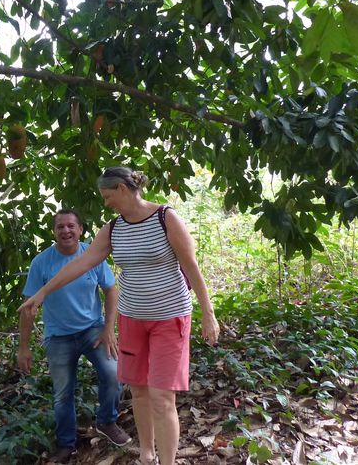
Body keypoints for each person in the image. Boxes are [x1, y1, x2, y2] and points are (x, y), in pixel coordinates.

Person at [20, 168, 220, 465]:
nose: (106, 203)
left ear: (123, 190)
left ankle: (167, 461)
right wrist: (43, 293)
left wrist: (208, 313)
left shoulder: (166, 218)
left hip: (170, 317)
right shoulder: (113, 229)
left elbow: (191, 267)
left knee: (162, 397)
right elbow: (81, 264)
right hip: (132, 319)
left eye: (108, 196)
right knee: (139, 391)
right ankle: (146, 454)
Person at [18, 208, 131, 463]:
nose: (66, 231)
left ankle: (106, 422)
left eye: (71, 226)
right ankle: (67, 444)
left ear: (81, 229)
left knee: (114, 374)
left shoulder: (93, 255)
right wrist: (23, 347)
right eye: (60, 227)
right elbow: (28, 307)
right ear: (54, 232)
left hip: (92, 329)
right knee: (62, 394)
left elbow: (111, 290)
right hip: (58, 336)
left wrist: (108, 329)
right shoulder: (41, 263)